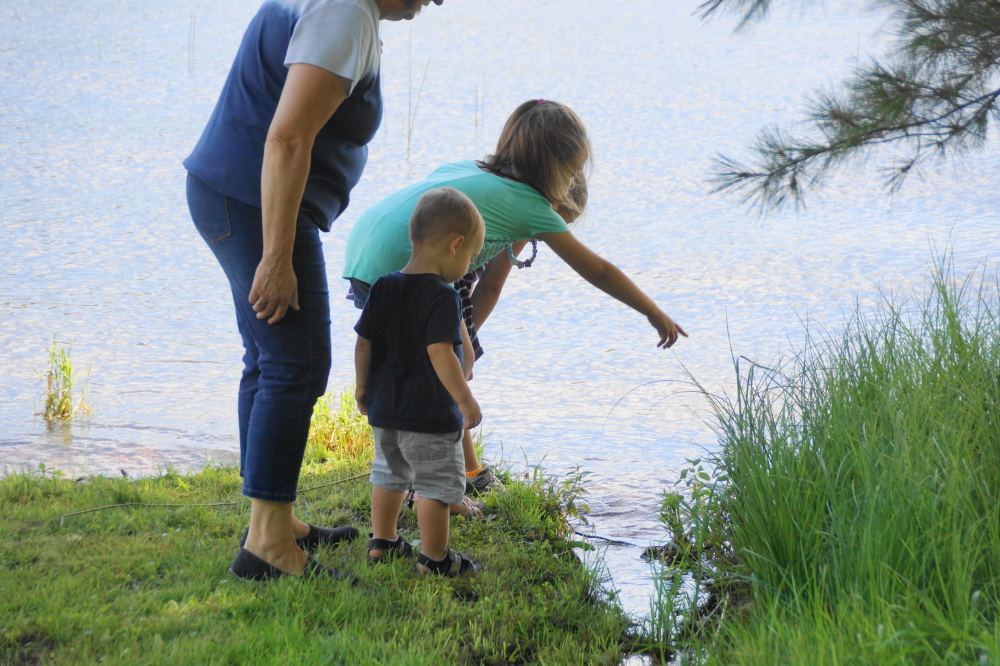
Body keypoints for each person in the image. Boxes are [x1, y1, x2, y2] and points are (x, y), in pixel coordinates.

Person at [183, 0, 446, 581]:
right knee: (295, 364)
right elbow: (286, 138)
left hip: (238, 194)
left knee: (270, 359)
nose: (434, 2)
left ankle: (271, 522)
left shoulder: (345, 9)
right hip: (255, 201)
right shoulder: (345, 11)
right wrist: (276, 257)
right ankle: (268, 546)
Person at [343, 99, 688, 509]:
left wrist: (461, 343)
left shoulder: (467, 168)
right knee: (439, 377)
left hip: (366, 252)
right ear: (555, 168)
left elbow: (487, 288)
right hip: (405, 263)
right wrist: (652, 310)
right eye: (573, 169)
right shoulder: (529, 206)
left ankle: (459, 475)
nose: (574, 177)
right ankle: (439, 485)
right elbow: (596, 269)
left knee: (441, 369)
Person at [355, 187, 485, 576]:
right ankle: (435, 558)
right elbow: (440, 352)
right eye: (471, 257)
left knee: (388, 473)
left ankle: (383, 541)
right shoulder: (444, 296)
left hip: (385, 409)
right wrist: (465, 401)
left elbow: (364, 343)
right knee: (434, 484)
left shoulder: (383, 286)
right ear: (455, 245)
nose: (468, 265)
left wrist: (362, 389)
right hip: (428, 413)